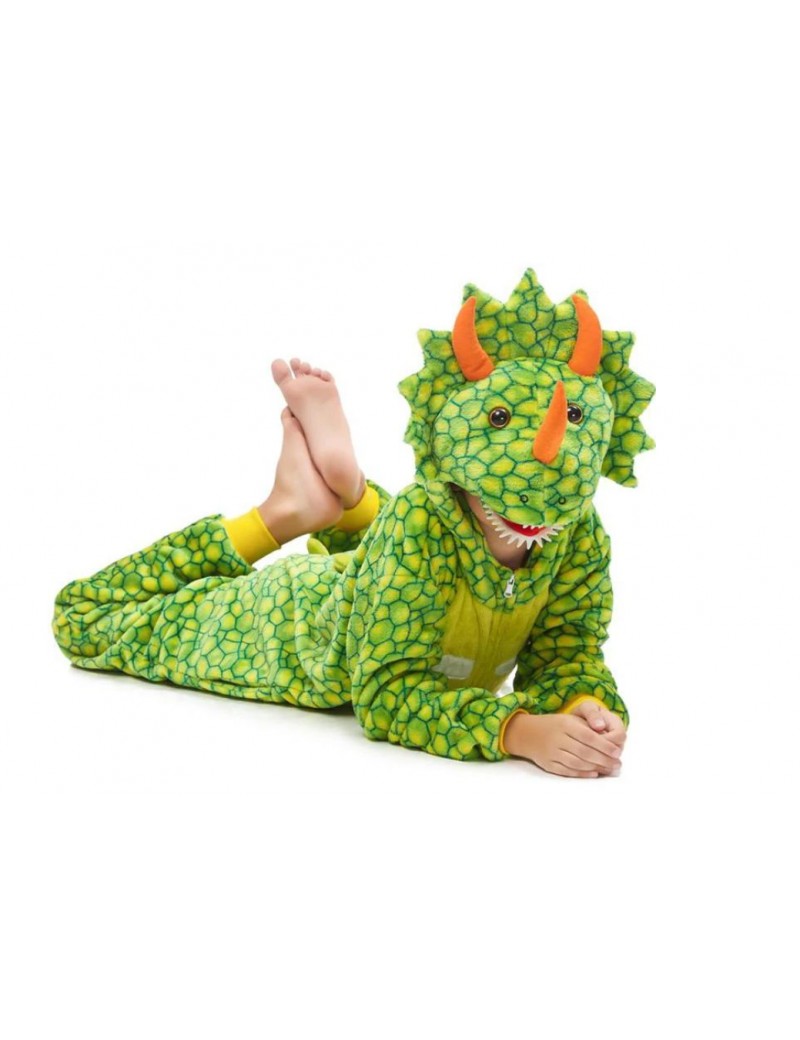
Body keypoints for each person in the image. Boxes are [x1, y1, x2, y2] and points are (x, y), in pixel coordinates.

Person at [53, 270, 654, 778]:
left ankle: (355, 501)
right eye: (498, 422)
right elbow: (387, 695)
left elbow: (566, 651)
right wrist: (516, 731)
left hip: (384, 576)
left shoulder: (578, 531)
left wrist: (583, 704)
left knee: (413, 540)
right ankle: (286, 511)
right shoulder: (419, 521)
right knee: (87, 618)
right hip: (294, 628)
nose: (540, 480)